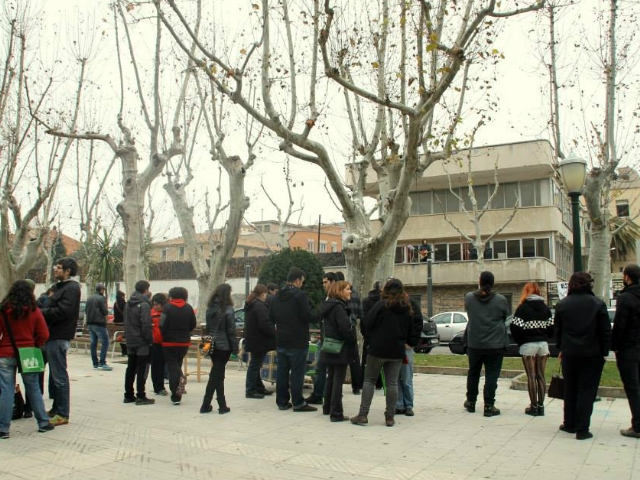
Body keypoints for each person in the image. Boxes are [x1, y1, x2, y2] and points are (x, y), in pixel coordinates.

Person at [351, 278, 418, 427]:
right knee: (392, 383)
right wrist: (407, 342)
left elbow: (366, 322)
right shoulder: (406, 308)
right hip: (397, 350)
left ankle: (363, 414)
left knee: (369, 380)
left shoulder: (380, 305)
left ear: (385, 290)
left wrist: (369, 337)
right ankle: (390, 416)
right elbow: (412, 329)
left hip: (377, 348)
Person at [555, 271, 611, 440]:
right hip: (592, 353)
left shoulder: (562, 305)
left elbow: (557, 331)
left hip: (570, 353)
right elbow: (605, 331)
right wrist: (604, 351)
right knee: (586, 390)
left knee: (570, 388)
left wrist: (560, 348)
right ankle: (582, 428)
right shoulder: (598, 304)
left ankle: (569, 423)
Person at [0, 280, 55, 439]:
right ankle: (43, 423)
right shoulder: (34, 310)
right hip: (28, 353)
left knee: (6, 390)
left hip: (5, 354)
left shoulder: (3, 310)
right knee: (33, 388)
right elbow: (44, 334)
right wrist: (34, 344)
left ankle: (3, 429)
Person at [269, 267, 318, 412]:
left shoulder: (276, 297)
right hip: (298, 339)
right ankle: (298, 402)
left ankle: (282, 402)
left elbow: (271, 318)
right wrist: (319, 315)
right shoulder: (300, 295)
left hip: (282, 339)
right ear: (297, 280)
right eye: (302, 281)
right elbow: (306, 316)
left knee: (282, 372)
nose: (302, 284)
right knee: (297, 371)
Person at [40, 257, 81, 427]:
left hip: (59, 336)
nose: (55, 270)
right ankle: (56, 409)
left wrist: (42, 312)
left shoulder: (71, 288)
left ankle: (63, 413)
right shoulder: (58, 287)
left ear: (67, 271)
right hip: (51, 336)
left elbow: (63, 311)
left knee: (60, 376)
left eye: (58, 267)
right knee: (55, 376)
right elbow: (45, 300)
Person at [463, 271, 509, 417]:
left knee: (473, 372)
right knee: (492, 375)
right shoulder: (501, 300)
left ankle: (471, 402)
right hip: (495, 344)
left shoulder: (469, 298)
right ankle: (489, 405)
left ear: (480, 281)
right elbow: (504, 316)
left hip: (475, 343)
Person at [510, 282, 554, 416]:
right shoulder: (546, 308)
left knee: (531, 376)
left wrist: (521, 341)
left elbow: (515, 328)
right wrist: (545, 336)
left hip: (528, 345)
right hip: (543, 345)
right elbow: (552, 327)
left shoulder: (522, 308)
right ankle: (541, 406)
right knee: (541, 376)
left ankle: (533, 406)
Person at [319, 280, 356, 422]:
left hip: (329, 346)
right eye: (347, 289)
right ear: (340, 291)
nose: (350, 292)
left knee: (331, 378)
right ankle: (336, 413)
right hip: (340, 348)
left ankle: (327, 407)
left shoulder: (328, 305)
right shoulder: (339, 307)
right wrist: (352, 339)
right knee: (337, 380)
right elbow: (345, 329)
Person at [612, 264, 640, 438]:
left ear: (627, 277)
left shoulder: (626, 298)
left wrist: (614, 346)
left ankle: (637, 425)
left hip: (629, 348)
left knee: (632, 387)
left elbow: (620, 326)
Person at [200, 284, 238, 413]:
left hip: (211, 344)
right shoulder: (228, 309)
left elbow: (208, 327)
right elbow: (231, 330)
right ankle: (206, 405)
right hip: (224, 345)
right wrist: (235, 347)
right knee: (216, 375)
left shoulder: (210, 308)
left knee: (217, 374)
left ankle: (222, 405)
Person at [305, 271, 337, 405]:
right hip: (324, 340)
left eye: (326, 282)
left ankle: (327, 396)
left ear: (332, 282)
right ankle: (319, 394)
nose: (323, 285)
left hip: (332, 341)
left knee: (330, 370)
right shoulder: (327, 298)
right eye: (323, 282)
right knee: (320, 368)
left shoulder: (336, 299)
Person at [161, 287, 196, 406]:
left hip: (169, 342)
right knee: (178, 363)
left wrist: (165, 335)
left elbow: (162, 324)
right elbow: (193, 324)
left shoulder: (167, 307)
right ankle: (180, 378)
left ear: (171, 296)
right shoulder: (188, 307)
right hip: (184, 343)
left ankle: (176, 395)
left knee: (172, 367)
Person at [123, 280, 154, 405]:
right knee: (141, 368)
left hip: (130, 339)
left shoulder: (128, 304)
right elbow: (146, 324)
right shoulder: (144, 305)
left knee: (130, 367)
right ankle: (141, 395)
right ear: (146, 290)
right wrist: (149, 340)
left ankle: (128, 395)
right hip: (141, 341)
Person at [243, 284, 275, 399]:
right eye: (266, 293)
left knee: (256, 364)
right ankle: (250, 390)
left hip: (253, 339)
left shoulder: (251, 304)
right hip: (259, 340)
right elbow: (264, 324)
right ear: (263, 293)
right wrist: (273, 332)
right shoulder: (260, 306)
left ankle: (258, 387)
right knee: (255, 365)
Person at [335, 271, 364, 395]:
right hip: (353, 328)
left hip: (340, 329)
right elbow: (361, 314)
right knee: (354, 358)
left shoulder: (339, 296)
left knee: (339, 358)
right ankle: (356, 386)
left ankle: (337, 386)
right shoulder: (356, 295)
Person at [396, 297, 423, 417]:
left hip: (406, 346)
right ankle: (399, 404)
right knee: (395, 378)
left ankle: (408, 405)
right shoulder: (388, 305)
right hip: (394, 346)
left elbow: (418, 323)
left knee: (406, 378)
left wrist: (411, 342)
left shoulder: (411, 304)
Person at [85, 283, 113, 371]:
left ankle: (95, 363)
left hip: (90, 323)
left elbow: (86, 310)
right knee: (105, 342)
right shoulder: (101, 298)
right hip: (99, 323)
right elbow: (105, 311)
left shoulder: (89, 298)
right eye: (103, 290)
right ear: (101, 290)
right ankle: (102, 362)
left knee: (93, 343)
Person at [150, 293, 168, 396]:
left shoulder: (167, 312)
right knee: (157, 366)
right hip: (156, 344)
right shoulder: (151, 313)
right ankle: (158, 387)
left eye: (157, 304)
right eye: (154, 304)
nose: (155, 307)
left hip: (167, 342)